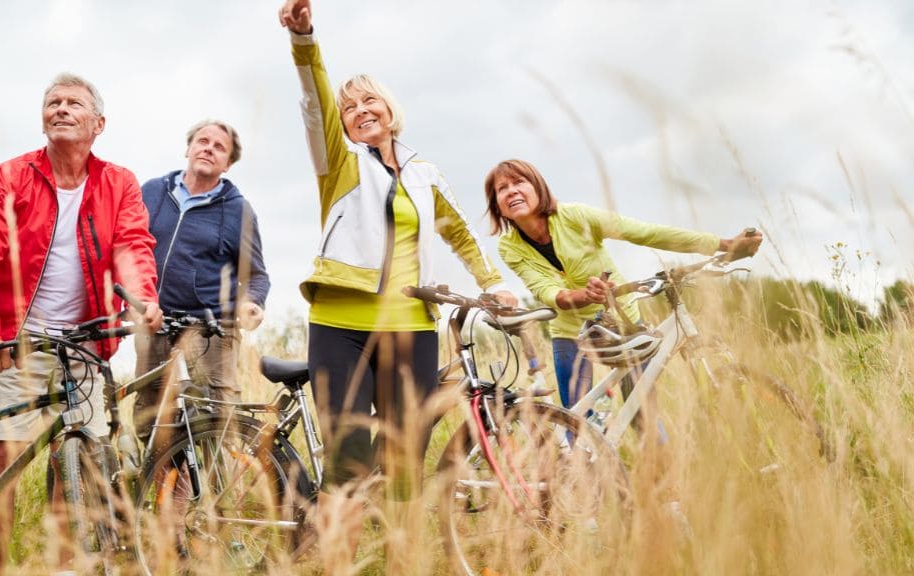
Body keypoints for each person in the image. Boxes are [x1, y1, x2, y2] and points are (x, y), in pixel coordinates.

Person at [278, 0, 517, 567]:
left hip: (413, 330)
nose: (361, 110)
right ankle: (340, 562)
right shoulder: (339, 163)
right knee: (351, 459)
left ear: (391, 109)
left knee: (406, 458)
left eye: (371, 100)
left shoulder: (425, 173)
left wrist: (493, 284)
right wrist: (305, 41)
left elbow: (460, 233)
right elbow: (314, 101)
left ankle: (404, 562)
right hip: (342, 328)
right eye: (351, 104)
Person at [0, 72, 162, 574]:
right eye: (53, 102)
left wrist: (140, 299)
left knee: (83, 468)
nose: (61, 109)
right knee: (0, 471)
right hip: (13, 340)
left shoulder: (118, 183)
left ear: (98, 123)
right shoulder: (10, 176)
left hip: (85, 346)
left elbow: (131, 247)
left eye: (74, 103)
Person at [484, 158, 763, 411]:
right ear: (498, 207)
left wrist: (721, 245)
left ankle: (654, 461)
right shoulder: (509, 247)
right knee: (578, 422)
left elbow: (645, 233)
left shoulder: (576, 216)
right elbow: (544, 290)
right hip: (569, 331)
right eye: (502, 188)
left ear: (538, 188)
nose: (512, 191)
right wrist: (582, 295)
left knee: (643, 418)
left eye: (520, 182)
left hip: (621, 322)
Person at [134, 120, 270, 435]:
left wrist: (252, 303)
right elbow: (129, 246)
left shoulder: (239, 211)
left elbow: (257, 275)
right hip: (155, 323)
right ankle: (161, 482)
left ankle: (206, 485)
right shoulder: (153, 191)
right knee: (151, 424)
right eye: (202, 140)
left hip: (210, 331)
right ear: (188, 148)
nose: (209, 148)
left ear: (229, 163)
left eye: (219, 146)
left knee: (208, 425)